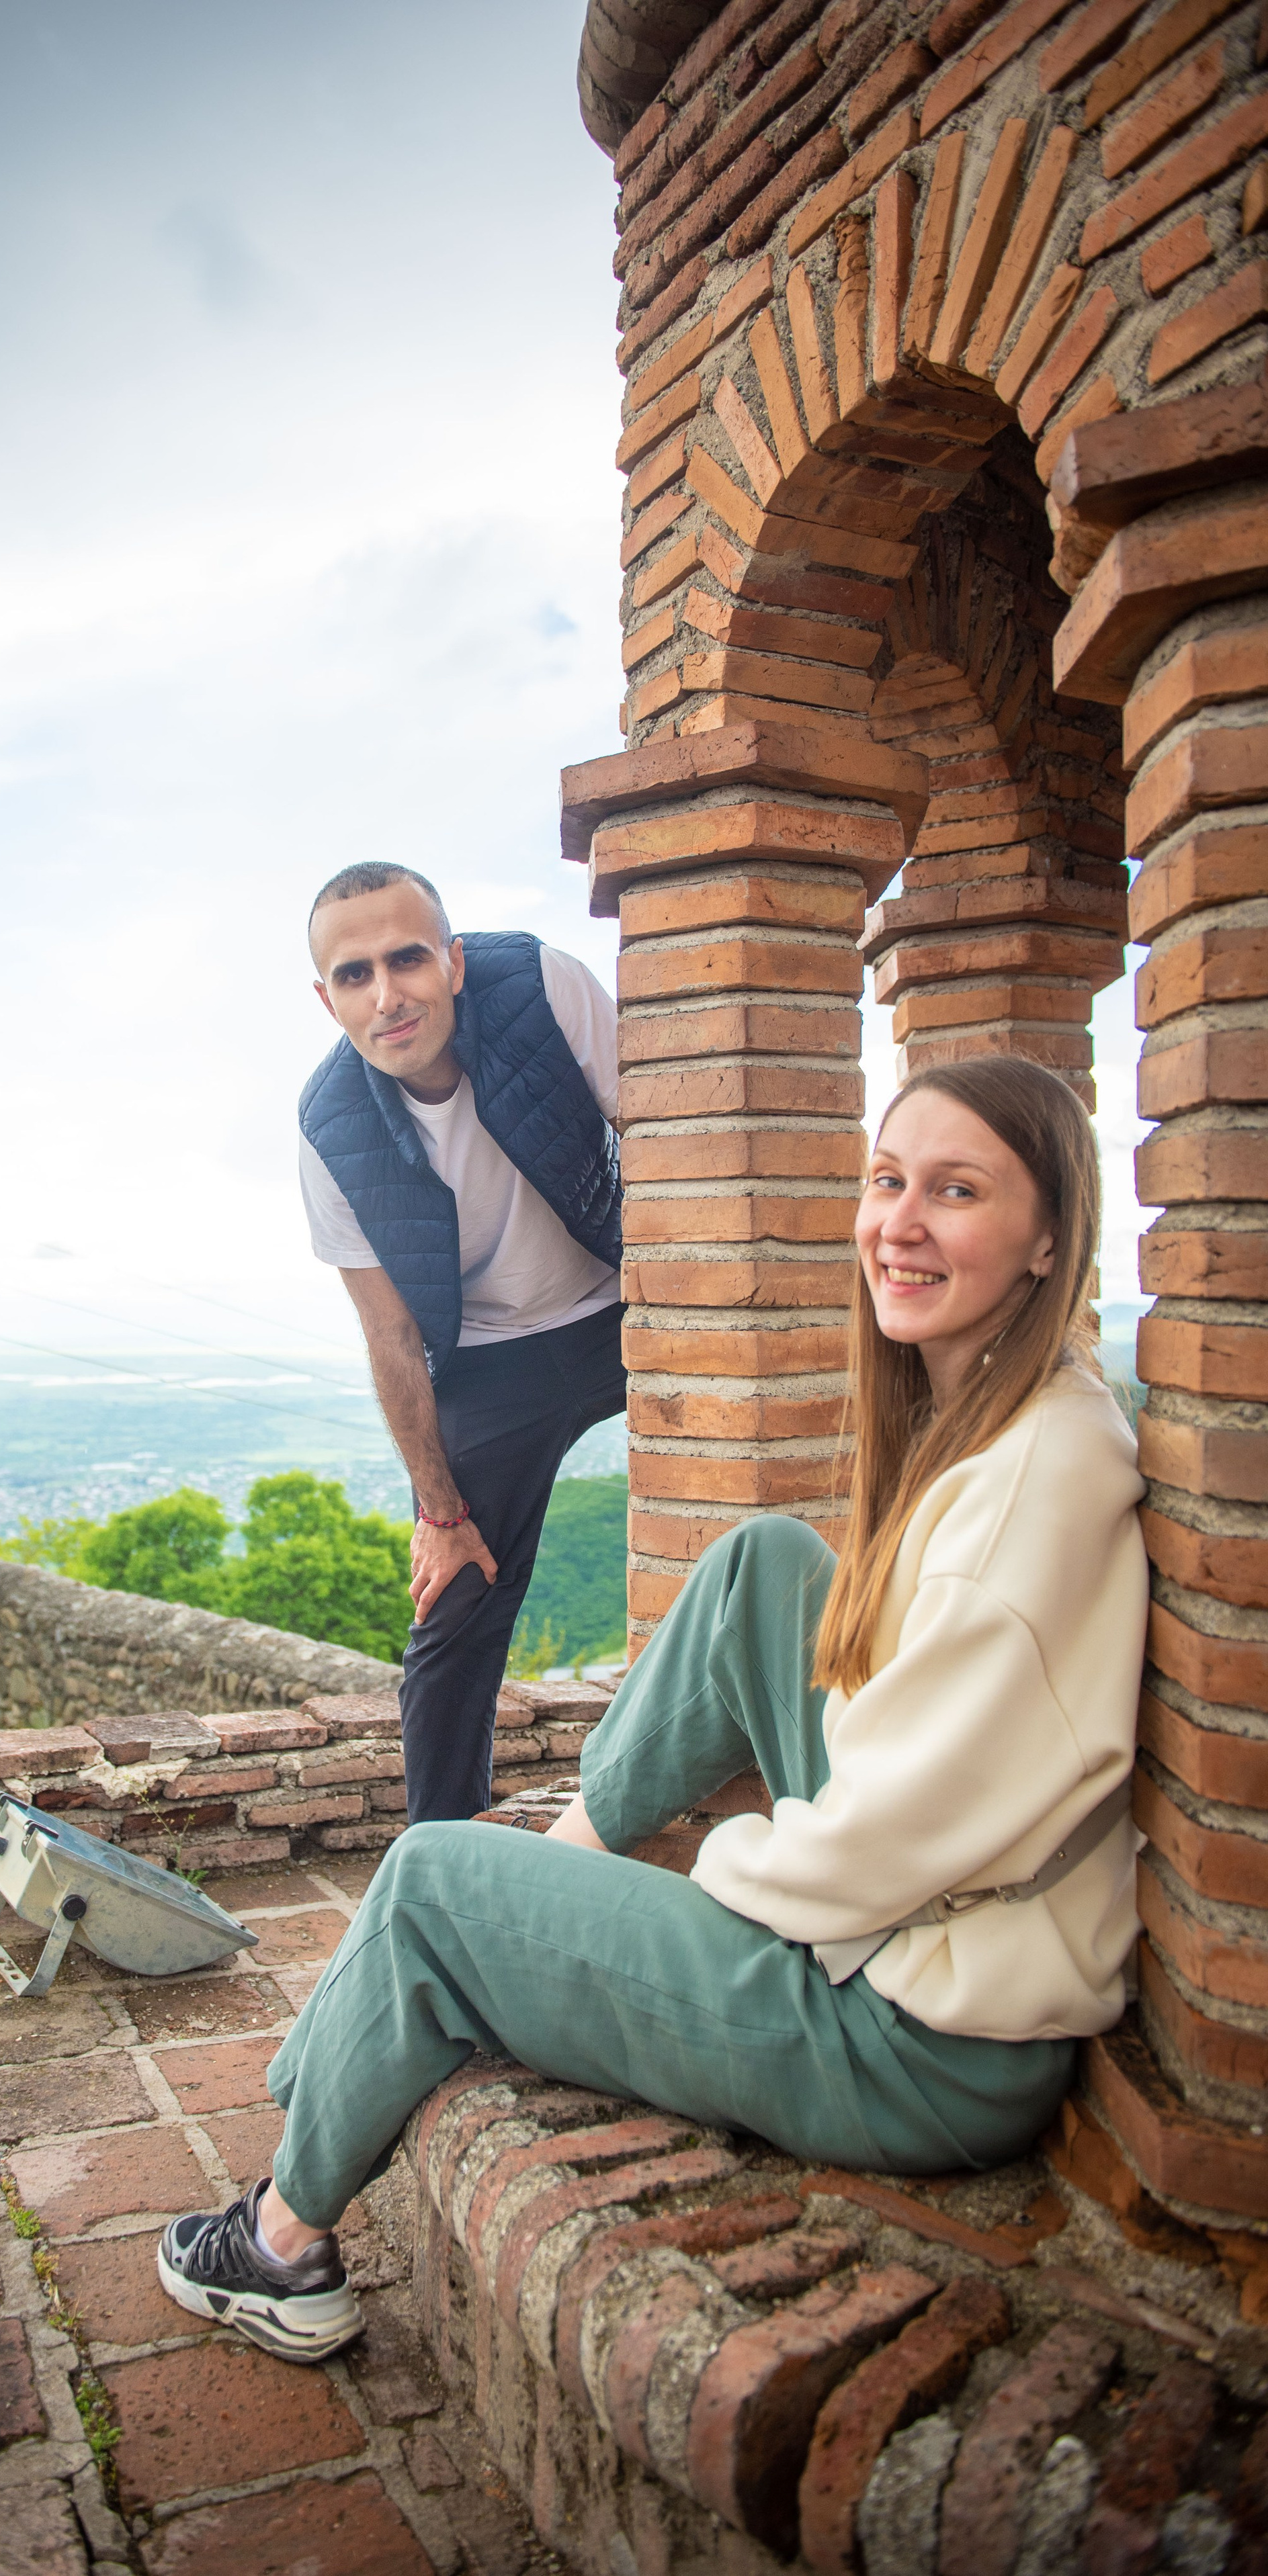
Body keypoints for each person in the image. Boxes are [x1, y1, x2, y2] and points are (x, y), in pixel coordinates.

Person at [158, 1057, 1148, 2362]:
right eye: (887, 1179)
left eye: (954, 1191)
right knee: (763, 1565)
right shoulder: (1019, 1409)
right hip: (933, 1924)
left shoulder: (1025, 1493)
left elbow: (881, 1847)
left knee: (432, 1882)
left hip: (921, 2035)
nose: (898, 1221)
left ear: (1043, 1238)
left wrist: (705, 1879)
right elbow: (929, 1758)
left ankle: (280, 2247)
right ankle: (558, 1874)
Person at [295, 860, 627, 1823]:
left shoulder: (543, 985)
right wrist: (440, 1515)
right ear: (328, 999)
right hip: (487, 1360)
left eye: (407, 959)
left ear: (455, 960)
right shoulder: (330, 1128)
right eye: (355, 975)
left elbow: (659, 1127)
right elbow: (391, 1334)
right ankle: (436, 1870)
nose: (387, 995)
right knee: (455, 1612)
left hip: (628, 1304)